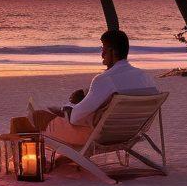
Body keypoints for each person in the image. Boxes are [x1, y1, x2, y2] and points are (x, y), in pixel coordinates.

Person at [11, 29, 159, 146]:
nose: (102, 55)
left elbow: (75, 119)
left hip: (94, 138)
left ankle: (17, 169)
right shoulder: (146, 78)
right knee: (58, 111)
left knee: (28, 119)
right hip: (129, 133)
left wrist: (70, 107)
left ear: (113, 52)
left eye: (104, 49)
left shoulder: (105, 80)